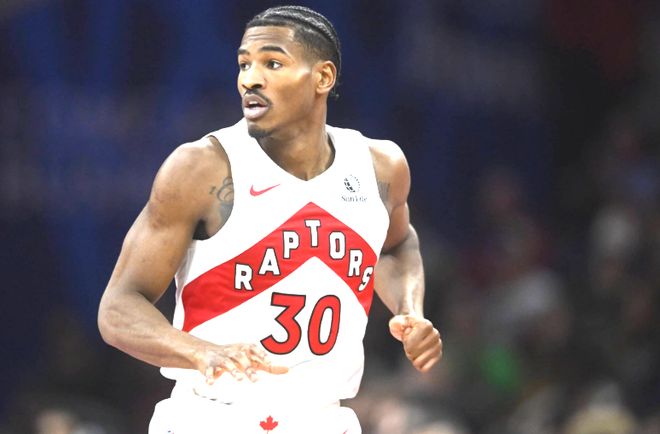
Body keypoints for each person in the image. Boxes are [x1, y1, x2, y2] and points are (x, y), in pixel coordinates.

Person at [98, 5, 442, 434]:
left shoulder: (380, 166)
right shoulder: (202, 168)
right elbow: (118, 308)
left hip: (322, 419)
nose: (250, 79)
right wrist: (200, 351)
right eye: (244, 64)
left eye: (272, 63)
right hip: (213, 416)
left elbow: (395, 246)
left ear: (323, 77)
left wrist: (410, 311)